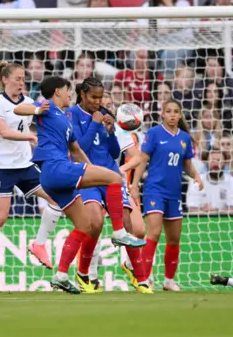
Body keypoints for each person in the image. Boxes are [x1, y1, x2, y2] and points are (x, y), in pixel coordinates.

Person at [12, 76, 145, 294]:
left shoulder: (65, 120)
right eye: (66, 90)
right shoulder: (48, 108)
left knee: (85, 225)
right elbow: (19, 109)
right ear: (57, 92)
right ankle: (119, 232)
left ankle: (61, 275)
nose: (69, 94)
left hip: (56, 175)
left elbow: (76, 151)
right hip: (56, 168)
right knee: (114, 178)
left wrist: (94, 169)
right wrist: (36, 110)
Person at [0, 63, 62, 280]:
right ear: (5, 79)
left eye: (23, 79)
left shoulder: (28, 102)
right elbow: (4, 131)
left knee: (57, 200)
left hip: (24, 164)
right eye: (17, 78)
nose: (21, 82)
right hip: (1, 167)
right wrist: (31, 137)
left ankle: (39, 244)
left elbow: (45, 114)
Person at [65, 77, 151, 293]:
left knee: (128, 225)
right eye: (93, 97)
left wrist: (111, 131)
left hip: (110, 176)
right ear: (82, 95)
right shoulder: (72, 115)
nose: (97, 101)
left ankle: (141, 279)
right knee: (94, 223)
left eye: (100, 97)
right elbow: (79, 149)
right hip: (87, 176)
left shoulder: (106, 115)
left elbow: (114, 153)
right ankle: (84, 274)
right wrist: (95, 123)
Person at [131, 99, 203, 291]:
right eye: (168, 111)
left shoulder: (184, 138)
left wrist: (196, 176)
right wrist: (134, 185)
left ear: (180, 115)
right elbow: (142, 159)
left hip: (174, 193)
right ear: (162, 113)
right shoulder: (154, 133)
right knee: (153, 233)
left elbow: (186, 164)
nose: (172, 115)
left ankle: (168, 280)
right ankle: (143, 278)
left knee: (174, 239)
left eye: (176, 112)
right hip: (154, 189)